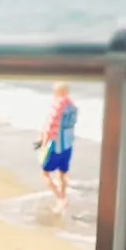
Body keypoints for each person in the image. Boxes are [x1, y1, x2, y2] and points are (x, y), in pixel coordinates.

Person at [35, 82, 77, 214]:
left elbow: (50, 126)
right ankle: (63, 194)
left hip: (55, 144)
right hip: (68, 143)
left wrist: (43, 144)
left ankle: (61, 198)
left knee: (45, 173)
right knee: (62, 172)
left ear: (58, 92)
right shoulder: (72, 106)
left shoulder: (58, 105)